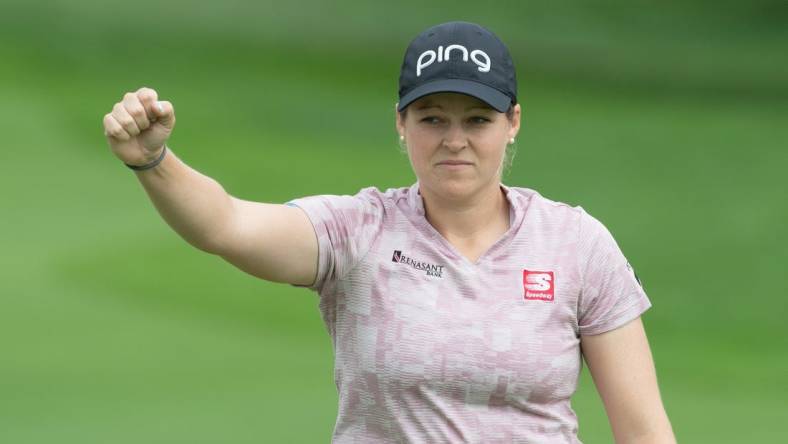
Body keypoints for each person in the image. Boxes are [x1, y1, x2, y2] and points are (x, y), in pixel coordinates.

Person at [102, 20, 675, 444]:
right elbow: (225, 224)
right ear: (400, 123)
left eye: (477, 120)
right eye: (432, 119)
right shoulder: (360, 230)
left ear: (513, 122)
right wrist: (154, 162)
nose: (455, 140)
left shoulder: (575, 242)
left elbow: (644, 430)